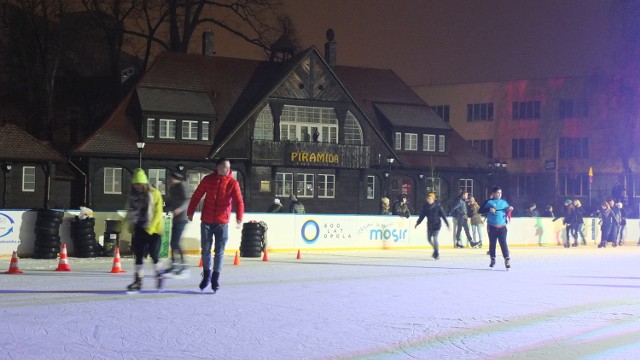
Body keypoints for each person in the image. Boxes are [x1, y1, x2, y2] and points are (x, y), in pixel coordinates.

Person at [187, 158, 244, 293]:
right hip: (206, 221)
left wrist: (239, 217)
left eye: (228, 167)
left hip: (222, 222)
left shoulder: (232, 183)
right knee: (205, 250)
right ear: (217, 167)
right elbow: (196, 196)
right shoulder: (208, 180)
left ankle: (215, 278)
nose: (227, 169)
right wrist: (190, 212)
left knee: (219, 252)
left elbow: (238, 201)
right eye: (224, 167)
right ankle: (207, 275)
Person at [125, 168, 165, 292]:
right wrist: (130, 226)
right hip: (139, 228)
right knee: (138, 255)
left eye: (139, 184)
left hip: (154, 229)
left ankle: (160, 275)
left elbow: (158, 213)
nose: (137, 187)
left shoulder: (154, 193)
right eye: (135, 184)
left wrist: (151, 228)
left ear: (144, 183)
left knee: (153, 254)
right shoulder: (133, 196)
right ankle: (138, 281)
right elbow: (130, 211)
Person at [479, 186, 513, 269]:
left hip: (502, 226)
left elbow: (507, 210)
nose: (499, 194)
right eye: (498, 192)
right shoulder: (489, 202)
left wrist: (510, 208)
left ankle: (507, 259)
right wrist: (489, 210)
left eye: (500, 193)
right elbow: (480, 210)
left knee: (503, 243)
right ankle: (492, 259)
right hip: (492, 227)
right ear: (493, 193)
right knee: (492, 243)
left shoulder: (504, 202)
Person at [163, 171, 190, 278]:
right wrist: (163, 208)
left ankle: (183, 265)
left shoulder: (182, 186)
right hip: (175, 219)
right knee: (173, 243)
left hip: (182, 218)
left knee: (175, 242)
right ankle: (174, 265)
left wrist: (180, 209)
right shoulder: (172, 188)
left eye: (171, 178)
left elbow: (187, 200)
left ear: (176, 178)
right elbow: (169, 202)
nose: (169, 180)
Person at [415, 193, 450, 260]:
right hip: (430, 225)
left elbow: (443, 215)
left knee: (435, 237)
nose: (428, 200)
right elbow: (422, 216)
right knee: (429, 239)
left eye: (429, 198)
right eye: (427, 198)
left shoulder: (438, 206)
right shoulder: (425, 206)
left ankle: (436, 252)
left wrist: (447, 224)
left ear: (433, 199)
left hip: (437, 225)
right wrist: (418, 223)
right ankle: (435, 250)